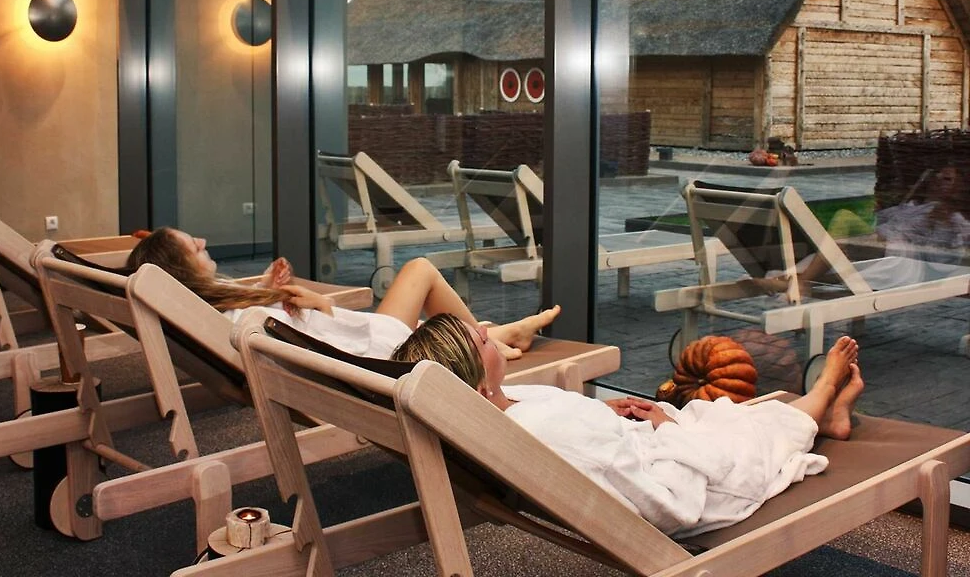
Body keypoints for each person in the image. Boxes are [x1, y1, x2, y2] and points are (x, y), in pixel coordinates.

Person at [391, 314, 864, 537]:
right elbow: (673, 508)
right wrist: (666, 431)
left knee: (726, 415)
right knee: (749, 432)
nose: (487, 329)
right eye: (481, 341)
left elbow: (579, 438)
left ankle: (825, 415)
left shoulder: (497, 414)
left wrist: (605, 415)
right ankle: (823, 392)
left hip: (641, 448)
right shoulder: (548, 431)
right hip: (695, 487)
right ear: (477, 386)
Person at [126, 226, 560, 360]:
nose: (203, 241)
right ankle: (485, 343)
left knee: (419, 284)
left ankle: (494, 336)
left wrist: (263, 289)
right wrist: (322, 305)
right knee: (421, 270)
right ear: (183, 270)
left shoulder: (210, 309)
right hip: (370, 354)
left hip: (354, 341)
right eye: (193, 247)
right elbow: (315, 342)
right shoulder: (245, 321)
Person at [748, 163, 970, 296]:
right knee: (837, 246)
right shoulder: (914, 206)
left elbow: (944, 261)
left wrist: (941, 224)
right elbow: (882, 220)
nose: (938, 180)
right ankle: (792, 279)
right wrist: (880, 209)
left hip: (902, 258)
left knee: (843, 224)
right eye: (938, 176)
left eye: (947, 179)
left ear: (959, 187)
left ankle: (799, 281)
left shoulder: (956, 220)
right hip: (880, 243)